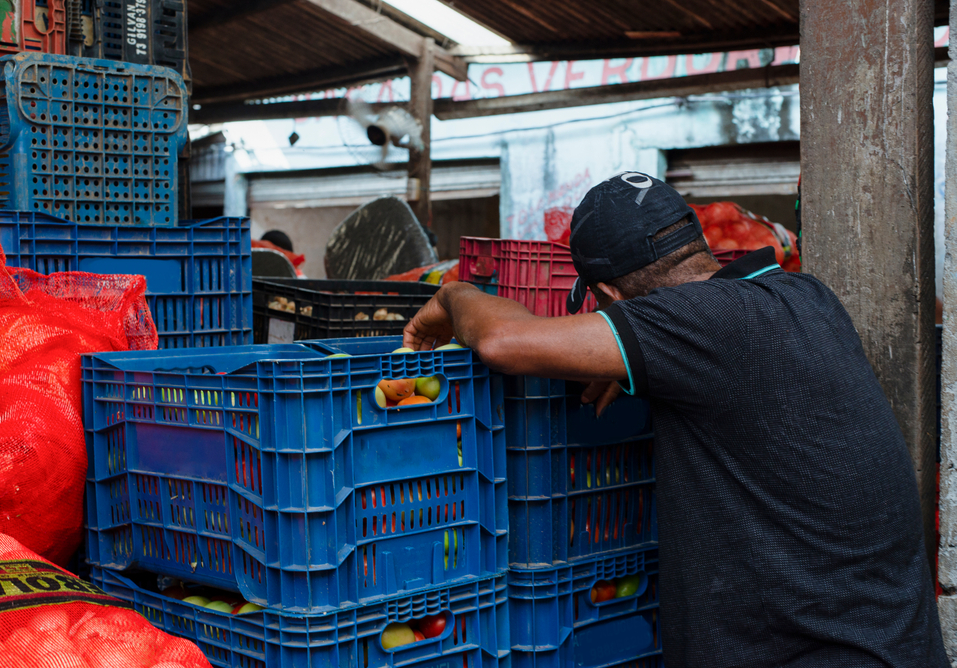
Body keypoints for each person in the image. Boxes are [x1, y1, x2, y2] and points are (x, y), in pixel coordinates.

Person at [403, 172, 947, 667]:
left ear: (610, 296)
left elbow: (502, 341)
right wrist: (635, 362)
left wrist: (455, 293)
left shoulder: (703, 327)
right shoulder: (802, 297)